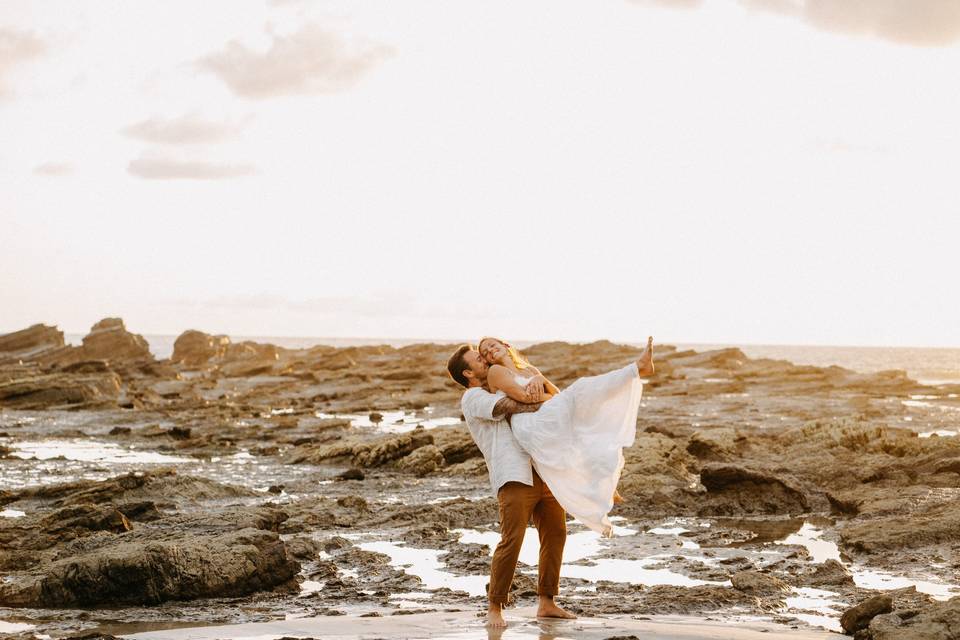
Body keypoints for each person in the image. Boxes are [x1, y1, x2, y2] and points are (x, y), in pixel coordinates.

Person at [448, 345, 574, 628]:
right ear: (468, 372)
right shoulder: (472, 397)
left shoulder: (502, 383)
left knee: (556, 534)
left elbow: (529, 394)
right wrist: (546, 400)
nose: (486, 360)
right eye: (479, 360)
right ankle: (495, 606)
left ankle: (547, 602)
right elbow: (510, 407)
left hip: (541, 469)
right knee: (511, 540)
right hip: (513, 475)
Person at [477, 336, 654, 537]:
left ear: (505, 345)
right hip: (528, 425)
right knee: (579, 392)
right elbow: (525, 397)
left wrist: (540, 379)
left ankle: (603, 486)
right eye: (484, 353)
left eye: (492, 345)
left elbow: (557, 393)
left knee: (584, 431)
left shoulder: (530, 370)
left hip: (544, 415)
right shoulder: (496, 371)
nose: (489, 351)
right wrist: (549, 397)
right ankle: (637, 368)